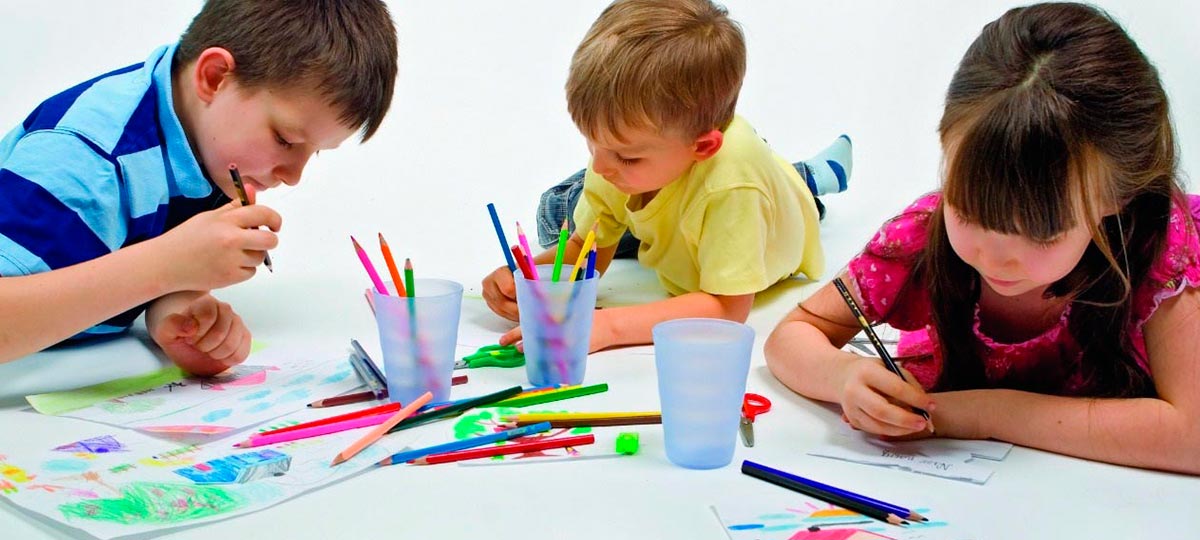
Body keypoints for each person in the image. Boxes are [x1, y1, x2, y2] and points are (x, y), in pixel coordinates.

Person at [764, 2, 1200, 474]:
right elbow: (790, 337)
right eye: (968, 212)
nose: (994, 257)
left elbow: (1192, 437)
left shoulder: (1159, 248)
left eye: (1041, 232)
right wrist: (843, 375)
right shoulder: (921, 237)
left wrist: (981, 414)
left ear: (1119, 197)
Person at [0, 0, 398, 376]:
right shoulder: (86, 159)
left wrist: (179, 308)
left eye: (316, 151)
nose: (294, 175)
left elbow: (131, 258)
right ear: (214, 77)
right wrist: (163, 267)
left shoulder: (212, 143)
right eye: (285, 139)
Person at [482, 0, 848, 352]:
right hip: (683, 196)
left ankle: (807, 179)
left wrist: (608, 326)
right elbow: (586, 252)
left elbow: (727, 308)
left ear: (702, 147)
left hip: (768, 209)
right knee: (562, 215)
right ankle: (798, 174)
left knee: (555, 210)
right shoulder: (617, 162)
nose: (600, 167)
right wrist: (522, 279)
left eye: (626, 156)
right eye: (592, 143)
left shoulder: (734, 188)